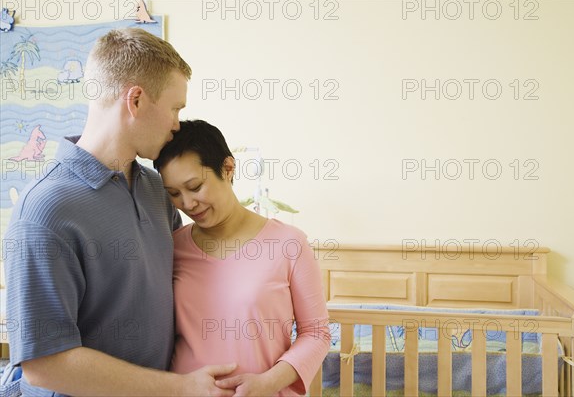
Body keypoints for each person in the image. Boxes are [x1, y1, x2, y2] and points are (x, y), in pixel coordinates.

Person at [3, 28, 236, 396]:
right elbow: (44, 364)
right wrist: (179, 387)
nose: (177, 124)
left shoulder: (157, 190)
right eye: (175, 109)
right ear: (137, 100)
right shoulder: (45, 212)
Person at [153, 119, 331, 396]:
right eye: (174, 194)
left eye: (196, 186)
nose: (187, 204)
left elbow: (316, 333)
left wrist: (268, 383)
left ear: (227, 168)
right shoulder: (172, 247)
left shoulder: (289, 244)